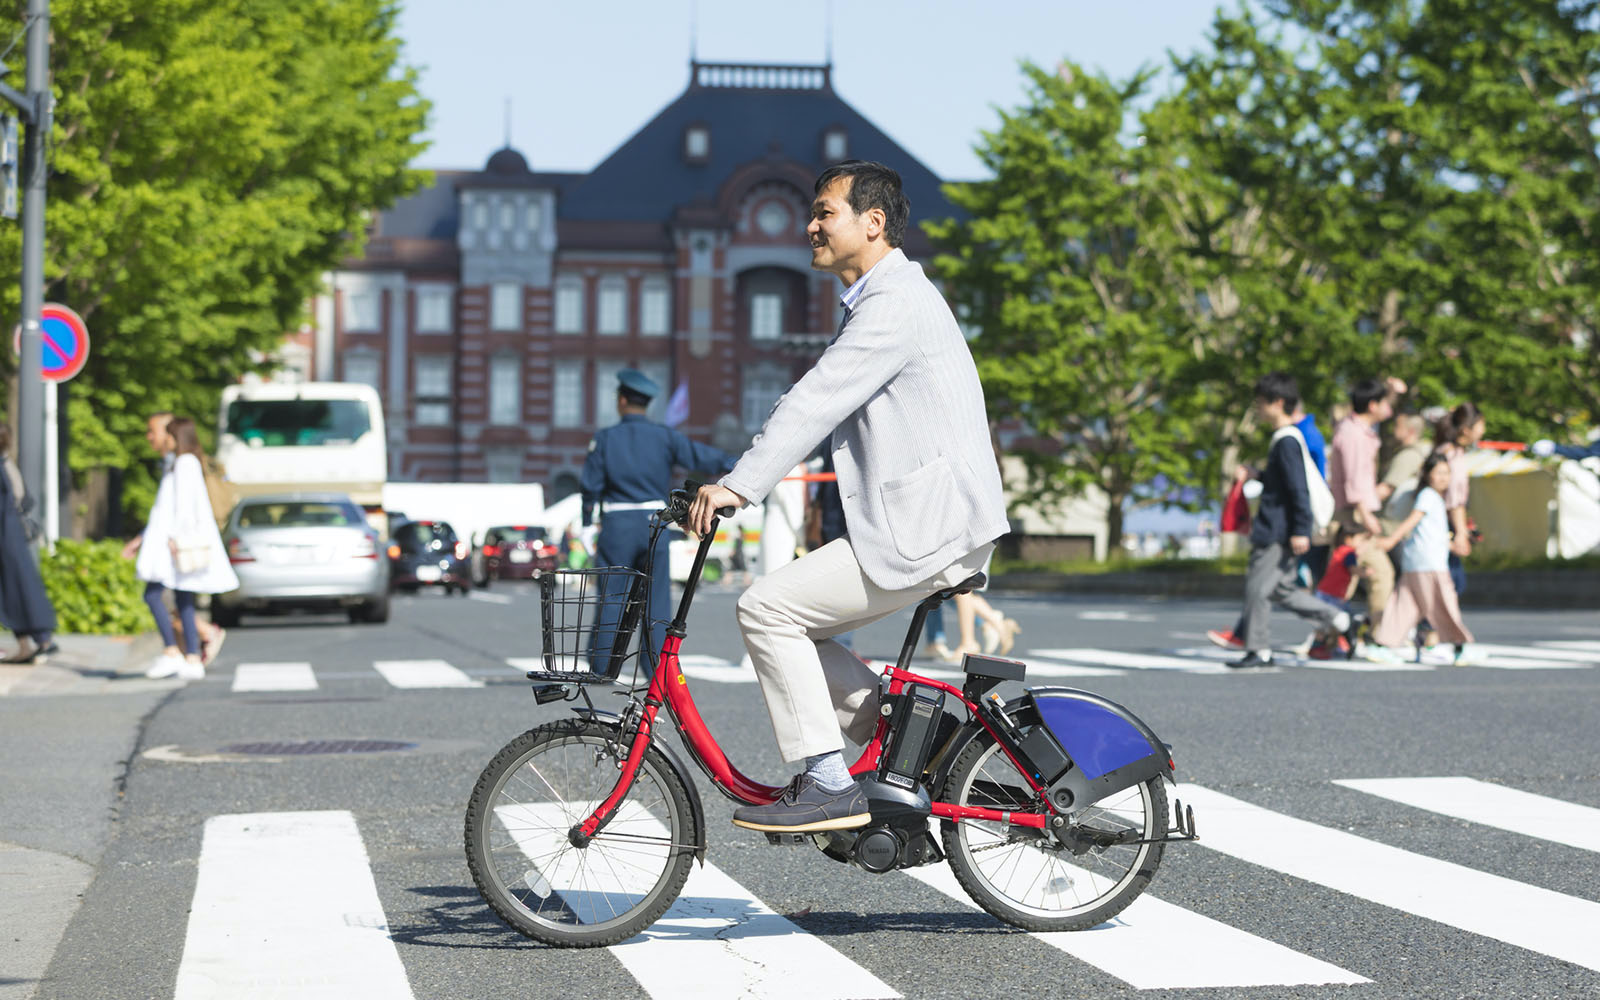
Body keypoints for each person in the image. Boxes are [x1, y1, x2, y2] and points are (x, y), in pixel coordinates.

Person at [686, 160, 1009, 832]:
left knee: (768, 608)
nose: (809, 226)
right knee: (797, 619)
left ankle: (829, 781)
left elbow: (815, 400)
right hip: (923, 520)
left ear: (874, 222)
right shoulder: (884, 298)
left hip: (929, 525)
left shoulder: (893, 304)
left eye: (823, 212)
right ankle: (911, 734)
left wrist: (737, 487)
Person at [580, 369, 736, 675]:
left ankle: (601, 666)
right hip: (655, 524)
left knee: (613, 596)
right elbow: (701, 457)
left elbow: (591, 486)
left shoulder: (605, 439)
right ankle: (654, 668)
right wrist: (737, 464)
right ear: (646, 404)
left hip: (617, 525)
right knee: (656, 602)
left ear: (622, 401)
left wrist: (588, 522)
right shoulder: (665, 437)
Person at [1227, 373, 1353, 669]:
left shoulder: (1286, 440)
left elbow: (1298, 488)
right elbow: (1284, 483)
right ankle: (1339, 618)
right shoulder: (1286, 439)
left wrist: (1300, 529)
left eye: (1260, 403)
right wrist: (1258, 475)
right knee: (1281, 590)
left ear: (1278, 402)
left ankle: (1259, 650)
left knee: (1257, 589)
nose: (1257, 409)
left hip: (1277, 530)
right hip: (1282, 528)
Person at [126, 417, 238, 679]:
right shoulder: (179, 462)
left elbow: (185, 506)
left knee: (156, 595)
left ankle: (174, 652)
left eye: (169, 434)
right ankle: (190, 657)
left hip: (174, 543)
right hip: (171, 540)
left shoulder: (184, 463)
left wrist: (177, 538)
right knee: (183, 599)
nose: (163, 438)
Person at [1364, 452, 1474, 663]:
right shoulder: (1429, 496)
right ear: (1427, 474)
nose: (1444, 478)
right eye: (1438, 472)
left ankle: (1382, 645)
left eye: (1447, 473)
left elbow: (1431, 533)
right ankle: (1461, 646)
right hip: (1430, 564)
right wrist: (1391, 540)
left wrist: (1452, 545)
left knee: (1404, 606)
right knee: (1445, 603)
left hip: (1414, 562)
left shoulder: (1430, 497)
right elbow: (1411, 521)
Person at [1325, 378, 1397, 633]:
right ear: (1373, 405)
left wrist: (1392, 391)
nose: (1389, 407)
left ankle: (1325, 636)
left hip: (1353, 513)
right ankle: (1378, 635)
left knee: (1344, 579)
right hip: (1355, 516)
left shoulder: (1354, 429)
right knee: (1380, 574)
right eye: (1384, 401)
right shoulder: (1355, 434)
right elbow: (1355, 478)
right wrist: (1366, 515)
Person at [0, 424, 57, 664]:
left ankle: (38, 640)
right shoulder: (7, 463)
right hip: (10, 535)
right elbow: (24, 499)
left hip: (6, 535)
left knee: (14, 589)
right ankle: (37, 640)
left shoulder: (3, 466)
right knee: (16, 588)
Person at [1432, 403, 1485, 598]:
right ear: (1466, 429)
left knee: (1448, 582)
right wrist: (1461, 533)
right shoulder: (1452, 456)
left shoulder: (1446, 451)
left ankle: (1429, 626)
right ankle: (1427, 627)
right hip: (1444, 525)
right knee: (1452, 583)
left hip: (1440, 523)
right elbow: (1454, 502)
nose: (1483, 431)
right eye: (1480, 425)